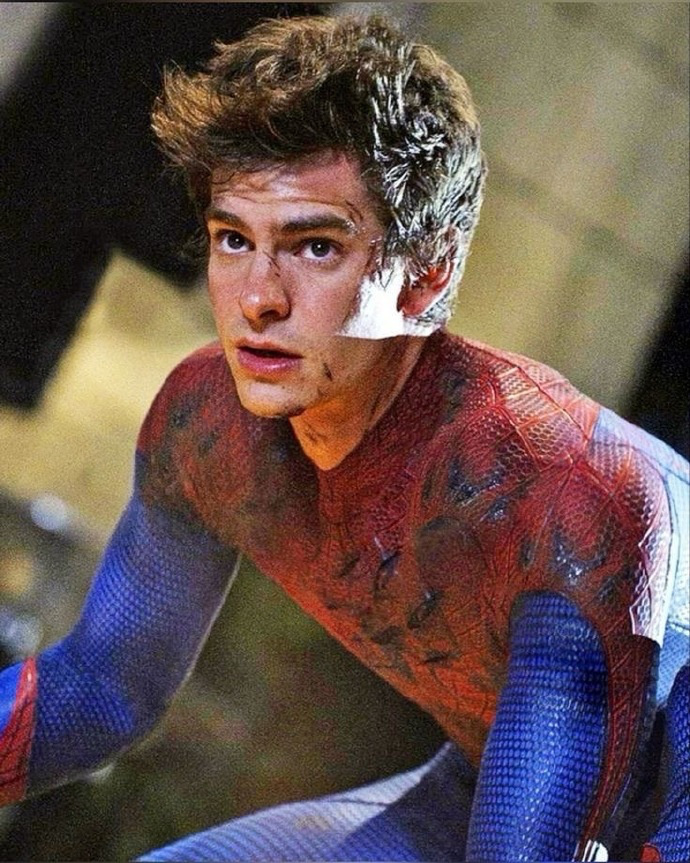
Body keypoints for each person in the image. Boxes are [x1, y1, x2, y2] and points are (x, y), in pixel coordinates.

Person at [0, 14, 688, 863]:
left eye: (315, 246)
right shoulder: (209, 424)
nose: (257, 297)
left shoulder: (554, 487)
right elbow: (102, 689)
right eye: (233, 239)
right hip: (504, 783)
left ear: (426, 276)